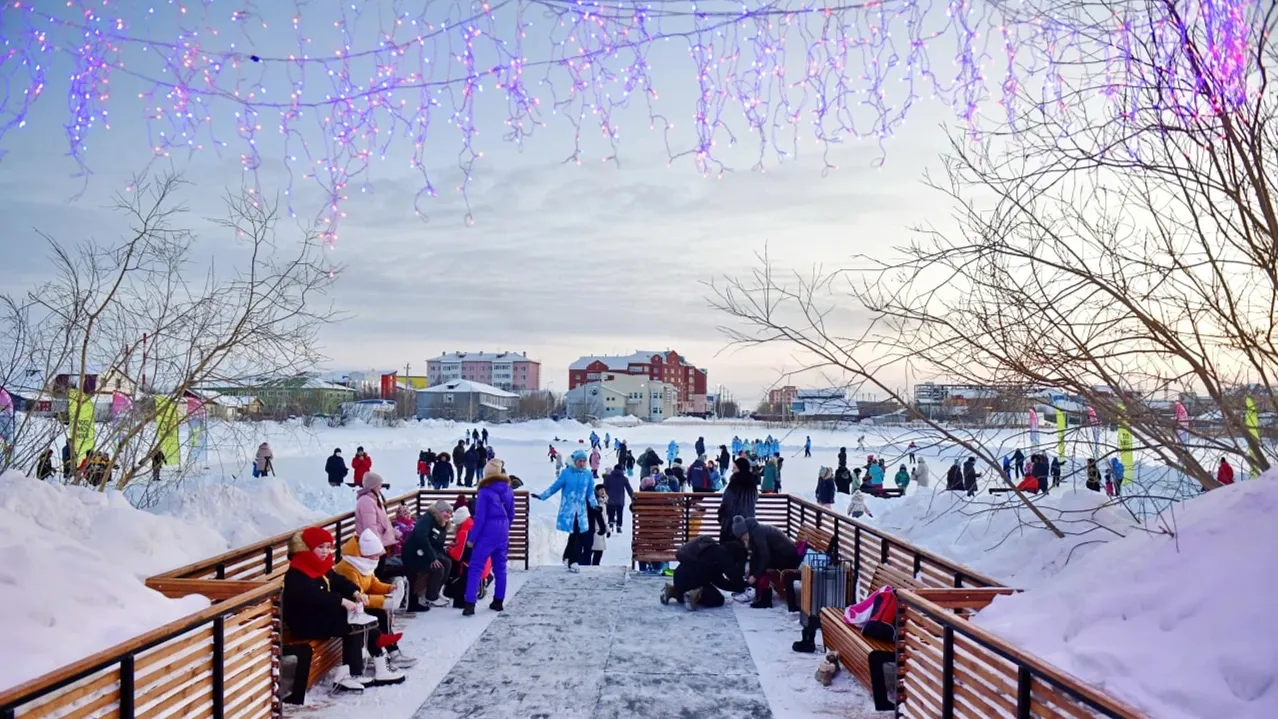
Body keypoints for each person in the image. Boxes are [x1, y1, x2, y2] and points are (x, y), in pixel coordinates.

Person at [282, 526, 405, 694]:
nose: (325, 551)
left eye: (328, 546)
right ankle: (372, 658)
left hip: (318, 615)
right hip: (304, 622)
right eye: (320, 547)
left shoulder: (319, 565)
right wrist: (341, 601)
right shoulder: (297, 573)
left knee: (355, 620)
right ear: (307, 548)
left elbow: (337, 581)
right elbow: (311, 596)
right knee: (351, 621)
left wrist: (354, 592)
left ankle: (359, 668)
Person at [333, 529, 417, 668]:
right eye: (375, 555)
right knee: (378, 615)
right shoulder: (349, 568)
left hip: (356, 605)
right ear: (366, 553)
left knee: (380, 614)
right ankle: (387, 652)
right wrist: (384, 601)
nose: (378, 559)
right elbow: (357, 597)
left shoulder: (363, 562)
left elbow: (372, 583)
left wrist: (389, 588)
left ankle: (389, 652)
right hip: (346, 608)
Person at [463, 459, 515, 615]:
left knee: (476, 567)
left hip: (487, 533)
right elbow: (511, 514)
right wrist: (505, 528)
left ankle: (469, 604)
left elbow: (480, 519)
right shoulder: (508, 489)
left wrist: (472, 539)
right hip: (502, 532)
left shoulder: (484, 492)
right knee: (500, 568)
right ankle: (498, 601)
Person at [535, 449, 599, 572]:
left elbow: (590, 493)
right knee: (576, 534)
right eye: (579, 461)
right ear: (575, 461)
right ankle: (573, 561)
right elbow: (555, 487)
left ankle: (567, 557)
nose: (582, 463)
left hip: (581, 511)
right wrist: (542, 496)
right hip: (568, 510)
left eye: (584, 461)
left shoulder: (588, 475)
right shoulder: (566, 473)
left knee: (576, 534)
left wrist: (594, 504)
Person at [660, 535, 747, 611]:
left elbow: (719, 582)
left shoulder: (709, 550)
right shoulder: (722, 554)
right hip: (693, 581)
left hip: (679, 577)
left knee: (697, 585)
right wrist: (746, 585)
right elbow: (734, 576)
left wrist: (739, 588)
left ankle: (673, 590)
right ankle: (694, 595)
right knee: (717, 599)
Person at [731, 514, 800, 609]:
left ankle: (765, 600)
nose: (741, 539)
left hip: (789, 559)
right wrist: (751, 572)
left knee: (763, 567)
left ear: (744, 532)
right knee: (758, 565)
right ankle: (759, 594)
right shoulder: (754, 531)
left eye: (741, 536)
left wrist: (755, 576)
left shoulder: (758, 534)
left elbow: (765, 558)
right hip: (781, 555)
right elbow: (756, 556)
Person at [403, 500, 454, 610]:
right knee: (438, 568)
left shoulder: (442, 524)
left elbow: (438, 544)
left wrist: (443, 555)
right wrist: (433, 558)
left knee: (447, 562)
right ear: (439, 511)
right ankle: (431, 597)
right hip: (413, 554)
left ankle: (437, 592)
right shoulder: (428, 519)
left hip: (425, 553)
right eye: (447, 512)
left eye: (450, 513)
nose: (449, 515)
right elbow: (422, 538)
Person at [355, 473, 398, 560]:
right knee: (377, 571)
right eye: (379, 485)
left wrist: (395, 533)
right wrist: (377, 548)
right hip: (374, 548)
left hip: (380, 543)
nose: (381, 488)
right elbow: (370, 528)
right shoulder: (366, 501)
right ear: (373, 486)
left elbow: (383, 522)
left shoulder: (374, 499)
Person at [718, 457, 758, 543]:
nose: (732, 470)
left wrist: (721, 515)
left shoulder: (734, 483)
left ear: (741, 469)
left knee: (729, 549)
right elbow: (755, 499)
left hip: (732, 523)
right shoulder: (752, 484)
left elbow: (726, 501)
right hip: (749, 523)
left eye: (734, 468)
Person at [602, 463, 634, 532]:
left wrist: (603, 495)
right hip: (620, 499)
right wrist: (632, 497)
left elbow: (604, 487)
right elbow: (629, 489)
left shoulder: (608, 477)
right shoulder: (624, 478)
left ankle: (611, 522)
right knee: (620, 513)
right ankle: (619, 525)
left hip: (610, 499)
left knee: (611, 511)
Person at [588, 485, 610, 565]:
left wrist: (607, 529)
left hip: (601, 529)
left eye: (604, 490)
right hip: (595, 529)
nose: (603, 491)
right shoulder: (596, 503)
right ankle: (590, 566)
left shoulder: (603, 503)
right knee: (595, 550)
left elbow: (604, 518)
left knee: (598, 551)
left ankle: (593, 566)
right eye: (600, 490)